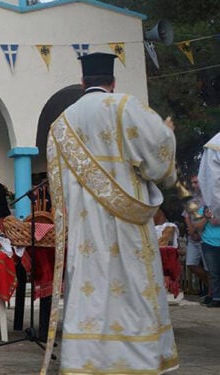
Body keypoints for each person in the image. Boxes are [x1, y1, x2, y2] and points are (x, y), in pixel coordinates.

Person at [43, 52, 178, 374]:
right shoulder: (124, 106)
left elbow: (56, 187)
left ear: (82, 82)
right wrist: (169, 132)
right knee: (131, 289)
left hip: (84, 229)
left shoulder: (61, 123)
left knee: (89, 291)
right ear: (112, 82)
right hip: (127, 225)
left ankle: (86, 363)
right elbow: (159, 158)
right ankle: (137, 360)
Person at [198, 133, 220, 308]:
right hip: (210, 241)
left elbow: (210, 182)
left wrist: (217, 211)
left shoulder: (215, 145)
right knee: (214, 272)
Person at [183, 174, 211, 303]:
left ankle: (212, 293)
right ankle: (211, 287)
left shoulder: (210, 198)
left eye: (196, 182)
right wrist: (191, 230)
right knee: (191, 264)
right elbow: (186, 216)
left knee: (209, 268)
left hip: (206, 236)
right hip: (193, 237)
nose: (194, 185)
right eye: (193, 183)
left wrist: (198, 230)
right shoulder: (191, 199)